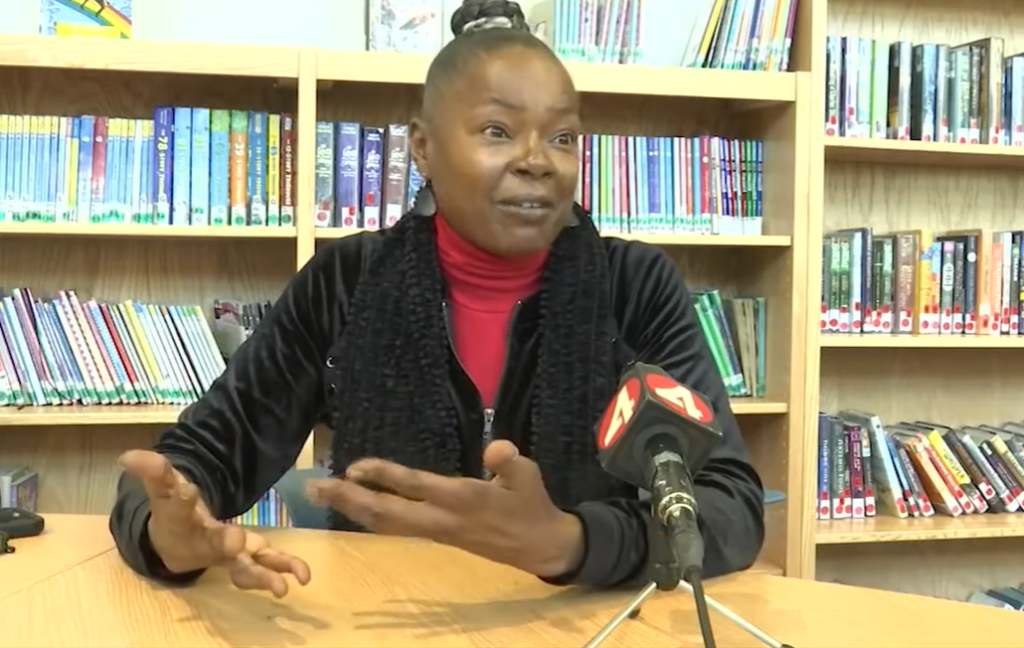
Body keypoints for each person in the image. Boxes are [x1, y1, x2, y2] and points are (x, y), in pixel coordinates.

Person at [109, 0, 766, 599]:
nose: (539, 160)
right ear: (422, 147)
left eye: (563, 137)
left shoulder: (636, 287)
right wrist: (165, 537)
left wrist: (575, 542)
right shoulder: (347, 282)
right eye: (498, 131)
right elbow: (202, 457)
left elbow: (730, 506)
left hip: (577, 620)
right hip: (386, 616)